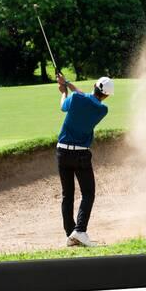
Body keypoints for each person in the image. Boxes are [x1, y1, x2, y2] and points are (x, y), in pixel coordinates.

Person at [55, 74, 114, 247]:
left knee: (68, 195)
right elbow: (84, 98)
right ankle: (79, 231)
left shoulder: (76, 99)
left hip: (62, 151)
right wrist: (69, 85)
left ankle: (70, 234)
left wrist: (63, 91)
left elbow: (63, 106)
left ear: (94, 85)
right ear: (107, 95)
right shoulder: (102, 110)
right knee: (88, 194)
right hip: (81, 155)